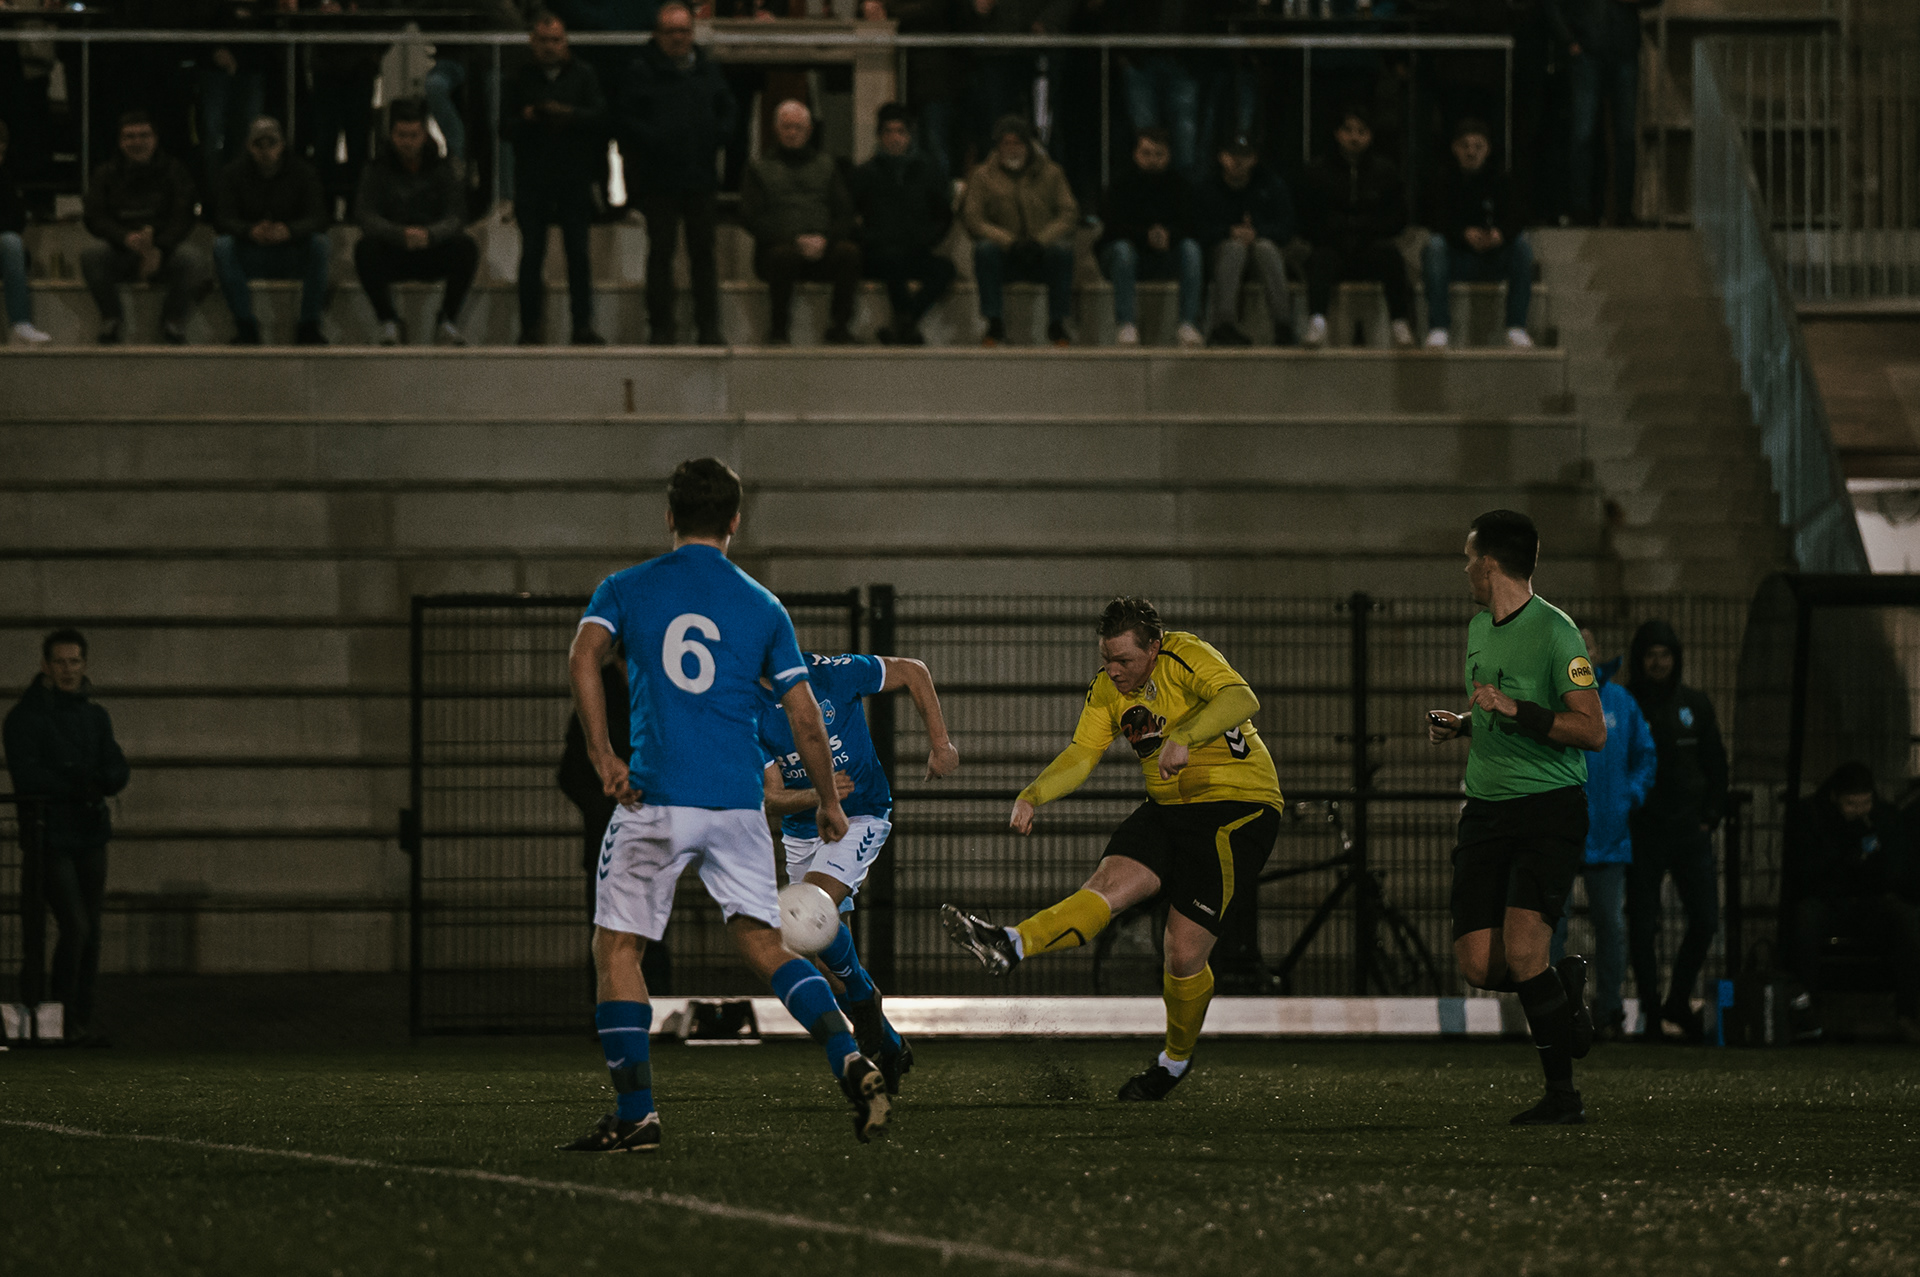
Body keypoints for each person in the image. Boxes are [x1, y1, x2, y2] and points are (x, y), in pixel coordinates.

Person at [562, 458, 889, 1151]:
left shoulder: (626, 586)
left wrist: (603, 757)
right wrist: (829, 802)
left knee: (618, 946)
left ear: (669, 515)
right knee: (765, 943)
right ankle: (849, 1056)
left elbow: (583, 655)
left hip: (656, 797)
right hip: (739, 805)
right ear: (736, 521)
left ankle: (637, 1114)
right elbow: (804, 713)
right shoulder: (762, 606)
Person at [943, 596, 1284, 1100]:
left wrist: (1186, 734)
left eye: (1124, 659)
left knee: (1182, 953)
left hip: (1237, 809)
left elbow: (1242, 698)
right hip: (1166, 809)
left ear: (1155, 647)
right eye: (1106, 658)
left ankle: (1174, 1061)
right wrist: (1033, 794)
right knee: (1103, 888)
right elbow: (1082, 753)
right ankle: (1010, 943)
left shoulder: (1185, 654)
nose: (1113, 670)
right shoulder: (1107, 689)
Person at [1426, 510, 1607, 1125]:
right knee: (1480, 964)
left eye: (1468, 559)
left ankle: (1563, 1098)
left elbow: (1592, 731)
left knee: (1526, 950)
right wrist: (1462, 724)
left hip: (1547, 809)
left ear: (1489, 564)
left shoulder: (1557, 632)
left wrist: (1519, 709)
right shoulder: (1479, 627)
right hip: (1486, 810)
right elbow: (1493, 708)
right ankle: (1561, 990)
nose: (1465, 571)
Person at [759, 650, 959, 1094]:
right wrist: (820, 794)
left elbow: (913, 672)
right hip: (802, 830)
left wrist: (941, 745)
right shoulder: (744, 707)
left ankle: (864, 1001)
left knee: (808, 911)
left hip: (862, 814)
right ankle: (889, 1044)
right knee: (819, 953)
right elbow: (772, 797)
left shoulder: (831, 674)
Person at [3, 629, 131, 1047]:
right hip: (54, 836)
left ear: (84, 665)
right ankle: (64, 1018)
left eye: (74, 661)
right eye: (60, 662)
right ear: (46, 665)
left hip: (82, 833)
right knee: (78, 927)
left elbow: (116, 766)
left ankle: (71, 1020)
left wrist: (89, 780)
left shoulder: (89, 716)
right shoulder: (29, 718)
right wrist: (88, 782)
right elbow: (30, 777)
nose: (68, 669)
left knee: (86, 930)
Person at [1550, 624, 1656, 1043]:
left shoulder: (1620, 701)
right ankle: (1556, 1010)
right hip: (1561, 832)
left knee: (1610, 927)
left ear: (1595, 654)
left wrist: (1628, 796)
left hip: (1608, 834)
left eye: (1587, 645)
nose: (1582, 652)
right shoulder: (1552, 699)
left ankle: (1609, 1009)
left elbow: (1645, 755)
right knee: (1553, 927)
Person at [1624, 617, 1727, 1043]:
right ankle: (1652, 1011)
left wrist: (1711, 814)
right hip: (1644, 832)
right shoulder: (1627, 704)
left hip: (1689, 830)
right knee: (1642, 926)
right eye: (1650, 655)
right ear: (1639, 659)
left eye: (1664, 654)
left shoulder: (1696, 704)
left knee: (1705, 919)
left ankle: (1677, 1000)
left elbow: (1716, 764)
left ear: (1676, 658)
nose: (1658, 662)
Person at [620, 2, 735, 346]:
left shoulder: (707, 70)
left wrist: (714, 136)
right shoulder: (640, 71)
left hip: (700, 176)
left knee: (704, 255)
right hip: (660, 179)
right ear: (657, 35)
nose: (678, 38)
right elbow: (628, 119)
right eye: (671, 31)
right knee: (661, 254)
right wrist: (658, 141)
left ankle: (708, 327)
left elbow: (728, 109)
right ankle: (661, 327)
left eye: (684, 31)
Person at [1784, 762, 1920, 1040]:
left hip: (1870, 901)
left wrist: (1875, 864)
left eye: (1865, 802)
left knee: (1907, 919)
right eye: (1851, 804)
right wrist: (1847, 856)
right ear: (1835, 798)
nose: (1860, 810)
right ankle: (1807, 1012)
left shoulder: (1883, 818)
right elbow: (1807, 873)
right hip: (1827, 900)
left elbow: (1897, 869)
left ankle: (1908, 1012)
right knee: (1806, 918)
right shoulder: (1814, 817)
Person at [502, 12, 608, 346]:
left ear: (565, 42)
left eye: (556, 40)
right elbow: (502, 127)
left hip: (573, 176)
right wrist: (529, 117)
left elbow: (601, 118)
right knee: (532, 253)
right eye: (544, 40)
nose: (550, 47)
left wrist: (569, 115)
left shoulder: (584, 74)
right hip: (532, 177)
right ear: (533, 42)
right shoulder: (518, 77)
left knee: (578, 254)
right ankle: (529, 327)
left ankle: (582, 326)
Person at [352, 99, 479, 347]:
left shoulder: (442, 168)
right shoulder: (377, 168)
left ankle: (447, 321)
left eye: (413, 135)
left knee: (466, 248)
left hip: (431, 247)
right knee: (365, 249)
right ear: (391, 135)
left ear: (424, 136)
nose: (407, 142)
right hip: (394, 247)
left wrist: (430, 234)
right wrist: (400, 234)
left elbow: (456, 216)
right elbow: (365, 214)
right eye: (401, 135)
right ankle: (388, 321)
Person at [81, 111, 208, 346]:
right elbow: (94, 216)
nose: (137, 142)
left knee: (194, 260)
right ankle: (111, 318)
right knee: (91, 256)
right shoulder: (105, 173)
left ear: (155, 139)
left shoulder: (174, 170)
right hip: (121, 249)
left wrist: (159, 247)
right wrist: (125, 237)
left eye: (143, 135)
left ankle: (172, 321)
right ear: (120, 142)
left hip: (164, 251)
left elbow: (184, 214)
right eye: (129, 136)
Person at [741, 100, 861, 346]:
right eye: (787, 127)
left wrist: (825, 240)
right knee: (782, 257)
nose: (792, 132)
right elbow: (751, 217)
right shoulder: (759, 167)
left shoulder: (826, 165)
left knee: (849, 253)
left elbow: (844, 213)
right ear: (776, 130)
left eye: (798, 127)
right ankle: (778, 330)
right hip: (778, 250)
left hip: (822, 248)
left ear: (808, 131)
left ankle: (839, 327)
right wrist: (794, 240)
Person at [961, 115, 1078, 348]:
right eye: (1006, 143)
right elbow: (974, 218)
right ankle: (994, 322)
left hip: (1040, 252)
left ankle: (1057, 323)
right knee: (984, 250)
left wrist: (1040, 241)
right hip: (1005, 255)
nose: (1012, 149)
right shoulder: (982, 176)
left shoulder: (1052, 173)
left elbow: (1069, 213)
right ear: (998, 146)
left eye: (1017, 143)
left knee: (1063, 252)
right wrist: (1009, 242)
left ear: (1028, 145)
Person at [1300, 107, 1413, 350]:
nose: (1354, 137)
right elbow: (1308, 218)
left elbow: (1397, 217)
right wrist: (1337, 228)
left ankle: (1400, 322)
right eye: (1348, 130)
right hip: (1332, 245)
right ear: (1337, 134)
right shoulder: (1318, 171)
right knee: (1320, 259)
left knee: (1390, 256)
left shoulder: (1385, 171)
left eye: (1361, 131)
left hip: (1369, 245)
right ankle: (1317, 321)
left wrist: (1366, 227)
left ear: (1370, 135)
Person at [212, 117, 330, 347]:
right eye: (259, 144)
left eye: (271, 143)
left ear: (282, 145)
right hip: (252, 253)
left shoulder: (302, 172)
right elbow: (222, 219)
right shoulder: (233, 173)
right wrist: (250, 231)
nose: (266, 151)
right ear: (249, 146)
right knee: (222, 246)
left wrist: (289, 230)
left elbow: (320, 218)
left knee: (320, 244)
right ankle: (245, 326)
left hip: (290, 253)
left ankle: (309, 325)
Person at [849, 102, 955, 347]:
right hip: (877, 254)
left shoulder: (927, 172)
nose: (894, 138)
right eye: (888, 131)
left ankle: (903, 323)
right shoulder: (865, 174)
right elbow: (846, 214)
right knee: (893, 265)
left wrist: (926, 238)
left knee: (945, 270)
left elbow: (943, 215)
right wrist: (868, 237)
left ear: (910, 136)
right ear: (879, 136)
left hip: (913, 250)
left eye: (900, 131)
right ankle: (906, 326)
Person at [1422, 118, 1534, 350]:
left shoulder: (1501, 178)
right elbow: (1436, 219)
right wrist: (1463, 234)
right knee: (1434, 246)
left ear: (1488, 149)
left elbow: (1518, 216)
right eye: (1465, 146)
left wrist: (1500, 234)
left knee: (1522, 246)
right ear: (1455, 148)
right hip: (1457, 259)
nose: (1471, 152)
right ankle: (1439, 327)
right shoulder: (1443, 179)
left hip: (1493, 258)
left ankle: (1516, 326)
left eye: (1478, 146)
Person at [1550, 0, 1661, 226]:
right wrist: (1568, 40)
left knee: (1624, 136)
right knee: (1584, 134)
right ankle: (1582, 209)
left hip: (1620, 48)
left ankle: (1621, 211)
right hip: (1589, 47)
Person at [1097, 127, 1202, 348]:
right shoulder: (1120, 184)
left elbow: (1192, 223)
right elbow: (1112, 226)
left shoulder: (1180, 185)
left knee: (1191, 249)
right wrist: (1146, 236)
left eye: (1158, 154)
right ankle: (1126, 324)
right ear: (1135, 154)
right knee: (1122, 250)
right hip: (1125, 256)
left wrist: (1169, 236)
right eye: (1146, 153)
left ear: (1169, 155)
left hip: (1165, 253)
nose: (1152, 160)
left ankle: (1188, 324)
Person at [1189, 133, 1296, 348]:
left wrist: (1257, 232)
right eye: (1232, 155)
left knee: (1265, 248)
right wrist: (1229, 232)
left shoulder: (1269, 184)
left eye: (1244, 156)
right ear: (1221, 157)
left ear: (1254, 159)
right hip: (1220, 255)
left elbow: (1287, 227)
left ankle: (1283, 324)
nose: (1237, 161)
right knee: (1233, 249)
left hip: (1261, 252)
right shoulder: (1208, 188)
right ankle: (1223, 325)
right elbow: (1197, 230)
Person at [0, 119, 52, 345]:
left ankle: (21, 325)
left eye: (1, 153)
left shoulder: (3, 177)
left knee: (11, 242)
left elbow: (16, 221)